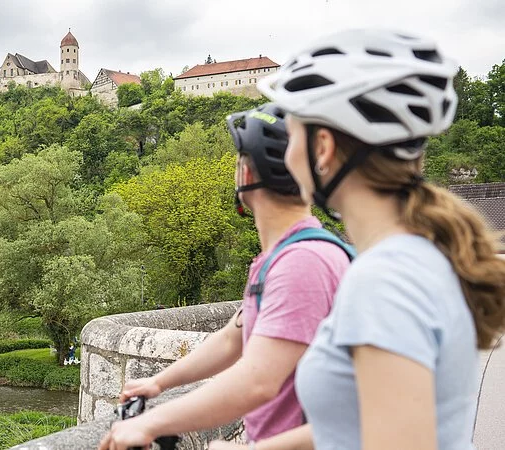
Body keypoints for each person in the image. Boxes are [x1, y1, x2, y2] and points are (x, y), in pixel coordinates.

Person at [210, 29, 505, 450]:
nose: (287, 152)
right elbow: (371, 426)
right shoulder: (416, 256)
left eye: (292, 134)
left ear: (323, 148)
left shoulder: (384, 282)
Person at [98, 103, 352, 450]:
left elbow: (258, 380)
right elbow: (234, 338)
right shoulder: (288, 254)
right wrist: (159, 383)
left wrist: (153, 420)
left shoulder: (303, 262)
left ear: (247, 174)